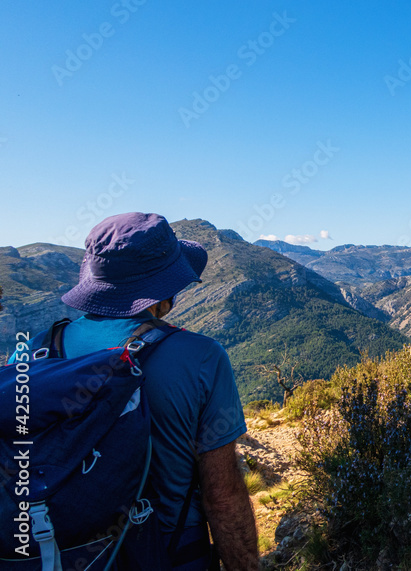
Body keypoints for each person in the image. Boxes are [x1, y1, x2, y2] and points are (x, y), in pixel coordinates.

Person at [19, 212, 258, 570]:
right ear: (161, 296)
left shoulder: (31, 354)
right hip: (170, 555)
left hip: (54, 554)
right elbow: (222, 498)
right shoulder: (203, 358)